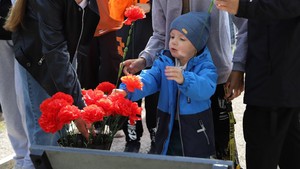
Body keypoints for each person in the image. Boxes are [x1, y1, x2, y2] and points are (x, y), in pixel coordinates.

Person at [121, 0, 247, 166]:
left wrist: (238, 67)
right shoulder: (164, 65)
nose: (173, 41)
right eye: (173, 37)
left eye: (179, 38)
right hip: (172, 75)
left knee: (221, 150)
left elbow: (245, 22)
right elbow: (160, 35)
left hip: (214, 78)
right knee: (172, 146)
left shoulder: (207, 70)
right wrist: (142, 63)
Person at [116, 12, 217, 158]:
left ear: (197, 44)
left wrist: (185, 79)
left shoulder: (205, 66)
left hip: (195, 127)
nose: (174, 42)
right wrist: (127, 89)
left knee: (194, 162)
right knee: (167, 157)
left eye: (182, 39)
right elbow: (149, 78)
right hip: (167, 122)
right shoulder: (165, 61)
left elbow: (206, 88)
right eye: (172, 37)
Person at [215, 0, 300, 169]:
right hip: (264, 81)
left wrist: (242, 7)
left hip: (280, 84)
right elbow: (250, 24)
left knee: (267, 154)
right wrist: (239, 66)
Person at [4, 0, 99, 149]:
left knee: (63, 129)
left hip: (61, 54)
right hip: (38, 62)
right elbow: (54, 50)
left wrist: (76, 102)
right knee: (47, 133)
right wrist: (78, 106)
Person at [116, 0, 158, 153]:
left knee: (155, 96)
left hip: (153, 40)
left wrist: (151, 7)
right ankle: (132, 138)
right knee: (129, 93)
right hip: (125, 38)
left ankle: (156, 137)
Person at [0, 0, 34, 168]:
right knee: (8, 100)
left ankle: (30, 157)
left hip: (27, 24)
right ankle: (21, 157)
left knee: (26, 97)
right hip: (2, 31)